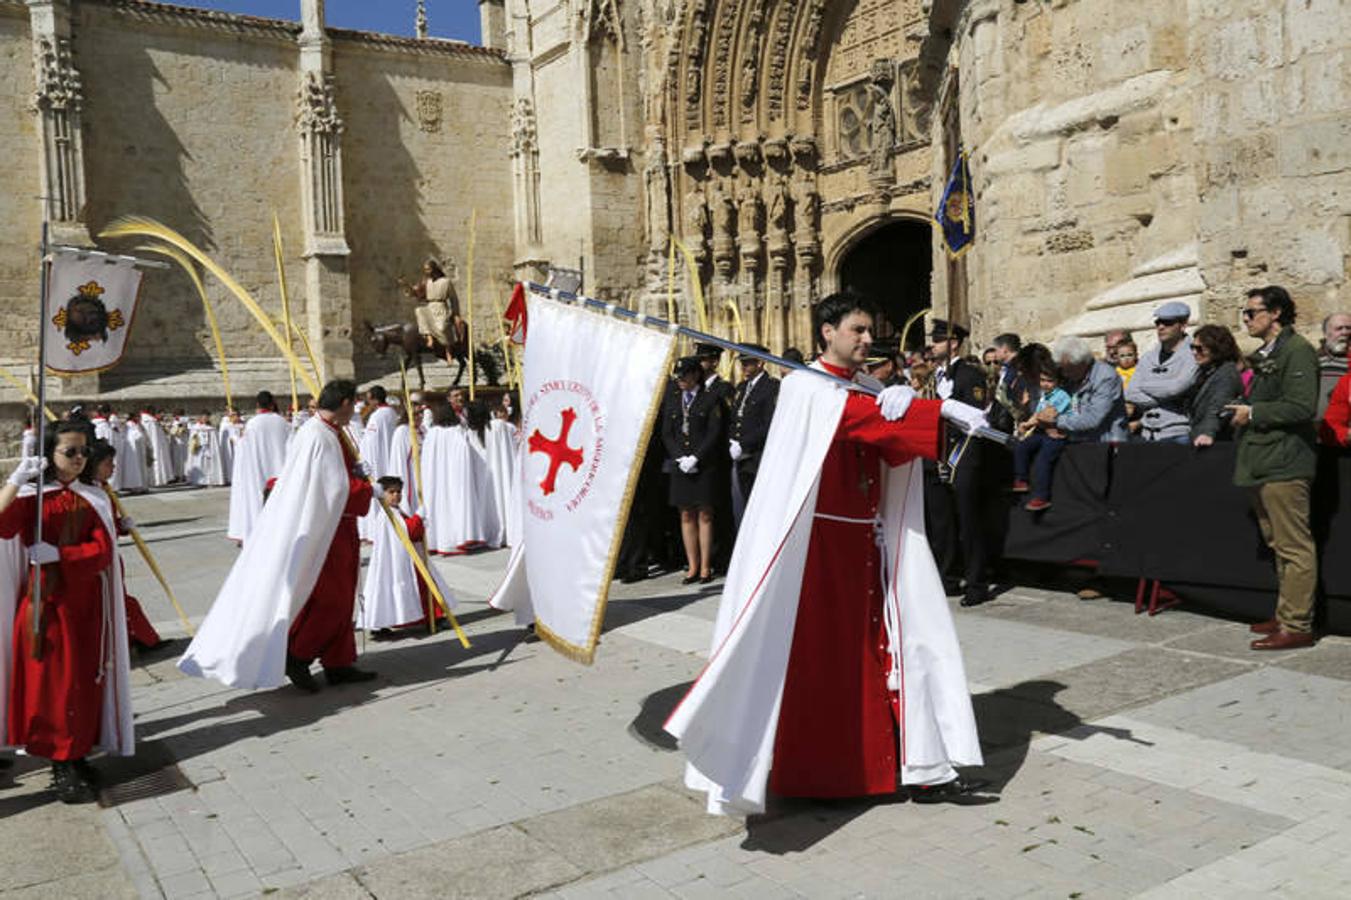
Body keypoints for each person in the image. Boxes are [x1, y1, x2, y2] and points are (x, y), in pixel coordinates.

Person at [665, 291, 987, 815]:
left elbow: (883, 440)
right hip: (818, 549)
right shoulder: (807, 388)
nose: (866, 340)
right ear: (827, 333)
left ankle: (920, 764)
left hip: (870, 541)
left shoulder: (863, 387)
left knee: (895, 652)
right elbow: (856, 421)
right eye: (856, 330)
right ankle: (833, 775)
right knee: (834, 665)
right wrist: (936, 409)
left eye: (868, 331)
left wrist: (899, 397)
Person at [180, 379, 377, 691]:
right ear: (344, 403)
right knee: (331, 599)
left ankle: (339, 662)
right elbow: (334, 488)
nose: (354, 409)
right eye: (353, 404)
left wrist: (356, 473)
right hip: (325, 529)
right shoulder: (319, 436)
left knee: (343, 595)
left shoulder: (328, 431)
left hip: (338, 525)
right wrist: (367, 489)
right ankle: (298, 655)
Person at [0, 421, 134, 803]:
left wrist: (64, 554)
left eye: (83, 452)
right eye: (69, 452)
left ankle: (77, 753)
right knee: (52, 684)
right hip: (45, 604)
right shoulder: (30, 497)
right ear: (49, 455)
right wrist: (15, 482)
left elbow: (103, 550)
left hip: (87, 604)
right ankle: (60, 762)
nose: (79, 459)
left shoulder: (95, 496)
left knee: (85, 680)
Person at [1228, 286, 1320, 651]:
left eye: (1252, 313)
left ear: (1276, 313)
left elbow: (1301, 407)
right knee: (1277, 542)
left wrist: (1253, 413)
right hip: (1263, 460)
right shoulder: (1267, 352)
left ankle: (1298, 623)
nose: (1246, 319)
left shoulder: (1297, 351)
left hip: (1285, 461)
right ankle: (1286, 613)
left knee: (1294, 545)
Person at [923, 318, 993, 607]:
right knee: (942, 524)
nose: (932, 345)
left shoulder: (969, 374)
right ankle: (947, 578)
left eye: (938, 340)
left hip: (963, 452)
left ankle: (977, 583)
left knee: (968, 521)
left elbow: (977, 415)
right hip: (938, 452)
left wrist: (949, 403)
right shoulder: (934, 377)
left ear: (953, 343)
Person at [84, 440, 162, 651]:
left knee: (118, 598)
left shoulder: (104, 489)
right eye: (108, 463)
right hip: (96, 557)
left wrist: (121, 526)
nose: (113, 468)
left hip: (110, 555)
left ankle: (138, 638)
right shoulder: (88, 493)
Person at [358, 476, 455, 635]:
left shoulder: (395, 511)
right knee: (410, 588)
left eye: (399, 492)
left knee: (424, 587)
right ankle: (382, 623)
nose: (396, 495)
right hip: (397, 561)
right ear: (383, 494)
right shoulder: (387, 514)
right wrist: (418, 518)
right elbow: (407, 532)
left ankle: (433, 617)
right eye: (391, 492)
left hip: (406, 558)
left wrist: (419, 522)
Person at [662, 357, 725, 584]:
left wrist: (697, 456)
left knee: (705, 515)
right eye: (678, 376)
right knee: (686, 514)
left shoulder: (710, 398)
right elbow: (667, 433)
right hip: (681, 465)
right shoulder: (674, 399)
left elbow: (713, 432)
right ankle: (692, 565)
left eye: (684, 375)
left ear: (695, 375)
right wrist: (680, 456)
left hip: (704, 464)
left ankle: (706, 567)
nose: (680, 380)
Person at [420, 401, 501, 554]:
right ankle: (458, 537)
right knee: (456, 507)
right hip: (455, 479)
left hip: (436, 481)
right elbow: (465, 455)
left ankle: (437, 540)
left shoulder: (431, 434)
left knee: (439, 507)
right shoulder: (456, 432)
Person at [1124, 301, 1199, 443]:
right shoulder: (1148, 358)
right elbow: (1130, 392)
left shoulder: (1193, 355)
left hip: (1179, 434)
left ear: (1183, 326)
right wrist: (1167, 400)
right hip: (1147, 435)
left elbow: (1175, 388)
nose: (1161, 327)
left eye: (1168, 323)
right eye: (1158, 322)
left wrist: (1144, 386)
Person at [226, 391, 292, 544]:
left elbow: (244, 448)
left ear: (257, 405)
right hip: (280, 469)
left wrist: (236, 438)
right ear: (272, 403)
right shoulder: (282, 422)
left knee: (257, 503)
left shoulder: (253, 424)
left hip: (258, 471)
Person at [1039, 335, 1129, 444]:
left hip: (1106, 444)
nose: (1065, 374)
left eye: (1068, 369)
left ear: (1082, 363)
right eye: (1063, 369)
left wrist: (1056, 421)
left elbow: (1092, 419)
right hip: (1078, 444)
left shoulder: (1105, 377)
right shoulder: (1072, 378)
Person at [728, 345, 779, 527]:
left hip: (757, 456)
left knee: (761, 507)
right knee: (745, 505)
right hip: (741, 458)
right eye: (743, 363)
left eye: (748, 363)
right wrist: (732, 440)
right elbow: (735, 418)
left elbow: (768, 423)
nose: (744, 367)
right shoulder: (742, 387)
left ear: (760, 363)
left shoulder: (771, 387)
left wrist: (744, 444)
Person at [1012, 363, 1072, 511]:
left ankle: (1041, 497)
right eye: (1042, 380)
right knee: (1022, 446)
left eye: (1049, 381)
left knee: (1042, 461)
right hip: (1043, 432)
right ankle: (1022, 479)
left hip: (1057, 435)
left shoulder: (1062, 396)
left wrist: (1028, 424)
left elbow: (1047, 415)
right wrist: (1027, 424)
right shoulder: (1044, 395)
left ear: (1058, 382)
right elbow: (1037, 414)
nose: (1045, 384)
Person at [400, 258, 465, 373]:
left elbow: (454, 299)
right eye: (425, 270)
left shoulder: (446, 282)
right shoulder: (427, 282)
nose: (426, 271)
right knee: (419, 310)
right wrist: (406, 285)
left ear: (434, 269)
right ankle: (429, 337)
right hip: (430, 307)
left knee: (442, 327)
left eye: (428, 269)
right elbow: (416, 293)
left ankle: (448, 349)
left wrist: (456, 314)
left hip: (441, 308)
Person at [1187, 325, 1244, 447]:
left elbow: (1218, 407)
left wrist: (1207, 433)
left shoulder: (1227, 373)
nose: (1194, 352)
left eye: (1199, 348)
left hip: (1216, 443)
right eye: (1192, 347)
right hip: (1199, 438)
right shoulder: (1205, 371)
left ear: (1216, 348)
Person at [358, 385, 398, 541]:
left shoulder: (377, 416)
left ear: (374, 399)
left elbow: (370, 443)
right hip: (388, 459)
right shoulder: (392, 413)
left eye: (369, 399)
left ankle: (374, 532)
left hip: (377, 462)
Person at [1317, 313, 1350, 417]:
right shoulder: (1314, 360)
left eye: (1348, 328)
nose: (1345, 332)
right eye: (1339, 328)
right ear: (1326, 334)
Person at [186, 413, 227, 486]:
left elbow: (214, 442)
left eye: (206, 417)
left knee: (209, 465)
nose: (205, 419)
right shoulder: (195, 427)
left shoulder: (211, 429)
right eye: (203, 417)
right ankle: (199, 481)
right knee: (199, 464)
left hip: (209, 449)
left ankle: (210, 480)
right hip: (199, 449)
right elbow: (192, 438)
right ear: (200, 417)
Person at [140, 406, 175, 487]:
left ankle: (157, 480)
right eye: (153, 411)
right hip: (154, 445)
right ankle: (156, 480)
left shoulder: (149, 420)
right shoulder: (150, 421)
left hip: (156, 444)